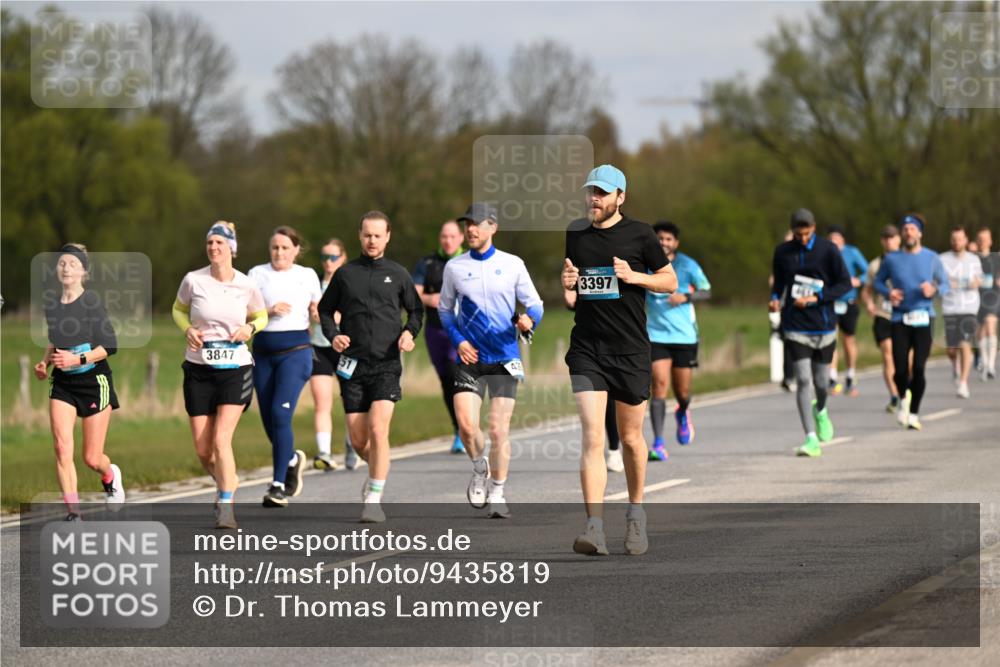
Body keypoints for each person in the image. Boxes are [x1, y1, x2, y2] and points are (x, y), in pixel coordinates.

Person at [561, 164, 678, 556]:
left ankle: (635, 514)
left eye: (602, 193)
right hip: (588, 348)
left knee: (630, 438)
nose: (594, 199)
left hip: (630, 349)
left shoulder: (641, 234)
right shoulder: (575, 233)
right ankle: (594, 527)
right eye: (591, 192)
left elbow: (670, 280)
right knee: (593, 435)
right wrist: (568, 286)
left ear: (620, 198)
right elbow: (575, 288)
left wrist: (635, 277)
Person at [438, 203, 543, 519]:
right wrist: (459, 341)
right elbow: (444, 310)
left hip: (504, 356)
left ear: (492, 227)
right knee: (468, 427)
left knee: (498, 430)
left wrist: (528, 321)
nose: (471, 230)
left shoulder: (512, 264)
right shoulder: (454, 267)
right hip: (469, 356)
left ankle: (498, 490)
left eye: (477, 224)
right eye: (467, 224)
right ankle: (479, 467)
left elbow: (534, 304)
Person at [318, 211, 423, 523]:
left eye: (378, 235)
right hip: (352, 365)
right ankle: (376, 471)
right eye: (367, 235)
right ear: (359, 236)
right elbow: (325, 311)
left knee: (379, 429)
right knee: (360, 439)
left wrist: (409, 333)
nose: (372, 240)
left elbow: (416, 312)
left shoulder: (398, 273)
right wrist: (334, 336)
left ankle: (374, 498)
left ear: (388, 236)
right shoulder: (346, 274)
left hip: (387, 364)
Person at [173, 222, 268, 529]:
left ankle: (226, 505)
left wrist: (249, 328)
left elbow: (261, 315)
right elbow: (178, 309)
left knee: (220, 440)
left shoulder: (246, 284)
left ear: (232, 248)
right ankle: (227, 482)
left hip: (235, 368)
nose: (214, 248)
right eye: (210, 243)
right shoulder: (193, 280)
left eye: (219, 243)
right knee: (203, 450)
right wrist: (187, 329)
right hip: (199, 369)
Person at [34, 244, 124, 521]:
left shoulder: (91, 303)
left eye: (73, 263)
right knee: (62, 447)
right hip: (62, 383)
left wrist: (78, 359)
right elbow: (55, 338)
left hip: (93, 381)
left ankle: (110, 475)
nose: (66, 268)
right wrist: (45, 362)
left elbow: (110, 346)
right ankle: (74, 513)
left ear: (83, 271)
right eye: (62, 263)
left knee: (91, 458)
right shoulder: (52, 304)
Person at [249, 226, 322, 507]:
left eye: (284, 247)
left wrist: (318, 313)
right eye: (275, 247)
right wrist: (268, 311)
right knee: (268, 418)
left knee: (281, 415)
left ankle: (278, 485)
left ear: (296, 250)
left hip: (296, 352)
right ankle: (291, 458)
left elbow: (318, 308)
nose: (279, 252)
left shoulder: (307, 275)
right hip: (264, 354)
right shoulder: (257, 274)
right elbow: (244, 311)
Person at [770, 209, 852, 457]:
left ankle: (822, 410)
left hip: (824, 325)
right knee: (803, 380)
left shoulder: (828, 250)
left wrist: (816, 298)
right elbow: (779, 285)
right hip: (795, 326)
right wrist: (774, 299)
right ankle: (810, 438)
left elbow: (844, 284)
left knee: (821, 382)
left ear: (814, 228)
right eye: (798, 234)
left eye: (806, 234)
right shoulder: (783, 252)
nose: (803, 238)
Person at [874, 214, 950, 430]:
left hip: (924, 317)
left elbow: (945, 285)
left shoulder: (932, 257)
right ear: (902, 234)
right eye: (905, 229)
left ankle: (914, 413)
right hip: (899, 319)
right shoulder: (891, 259)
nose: (909, 233)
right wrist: (889, 293)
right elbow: (877, 281)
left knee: (918, 368)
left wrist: (933, 290)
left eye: (912, 229)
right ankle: (903, 398)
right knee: (899, 370)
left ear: (919, 233)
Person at [646, 221, 711, 459]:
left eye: (668, 239)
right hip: (656, 335)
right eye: (660, 238)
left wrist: (686, 296)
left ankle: (683, 411)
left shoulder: (687, 264)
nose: (663, 242)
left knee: (682, 391)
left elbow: (707, 290)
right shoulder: (645, 264)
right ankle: (658, 443)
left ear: (676, 242)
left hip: (684, 337)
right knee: (659, 386)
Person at [413, 220, 466, 454]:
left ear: (461, 238)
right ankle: (458, 428)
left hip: (462, 329)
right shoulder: (427, 263)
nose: (448, 241)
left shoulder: (469, 261)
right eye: (444, 236)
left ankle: (466, 427)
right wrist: (429, 300)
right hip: (436, 330)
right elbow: (415, 294)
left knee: (458, 375)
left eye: (452, 236)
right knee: (446, 381)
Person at [564, 289, 624, 473]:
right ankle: (612, 451)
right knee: (600, 405)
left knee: (617, 404)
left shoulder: (626, 265)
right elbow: (573, 299)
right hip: (589, 348)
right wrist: (569, 295)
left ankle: (615, 448)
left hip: (622, 343)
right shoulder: (581, 262)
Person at [309, 238, 352, 470]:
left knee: (350, 399)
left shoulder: (348, 282)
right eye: (325, 257)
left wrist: (332, 317)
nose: (328, 262)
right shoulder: (313, 283)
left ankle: (352, 444)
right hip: (319, 348)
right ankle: (324, 452)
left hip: (344, 347)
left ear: (342, 258)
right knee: (321, 402)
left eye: (333, 257)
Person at [861, 225, 902, 412]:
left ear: (898, 239)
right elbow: (866, 291)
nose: (888, 241)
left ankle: (905, 390)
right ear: (881, 241)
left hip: (904, 314)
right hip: (883, 314)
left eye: (892, 237)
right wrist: (869, 304)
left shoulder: (907, 260)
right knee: (888, 355)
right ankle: (894, 395)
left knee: (905, 358)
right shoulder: (875, 265)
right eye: (885, 238)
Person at [940, 226, 983, 399]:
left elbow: (979, 279)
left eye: (960, 239)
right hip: (950, 307)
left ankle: (963, 383)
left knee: (965, 342)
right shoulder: (942, 259)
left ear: (966, 240)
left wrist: (974, 283)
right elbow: (938, 280)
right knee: (951, 349)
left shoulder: (973, 260)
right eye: (954, 239)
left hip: (969, 307)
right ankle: (955, 365)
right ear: (951, 241)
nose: (957, 242)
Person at [826, 225, 869, 397]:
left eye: (836, 238)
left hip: (848, 301)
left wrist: (859, 280)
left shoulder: (852, 252)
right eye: (831, 239)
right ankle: (832, 377)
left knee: (848, 339)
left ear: (843, 239)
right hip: (830, 301)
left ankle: (850, 374)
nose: (834, 242)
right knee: (831, 339)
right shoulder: (825, 254)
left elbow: (868, 271)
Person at [975, 227, 999, 380]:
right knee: (980, 333)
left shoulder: (996, 258)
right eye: (980, 239)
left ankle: (991, 365)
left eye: (986, 239)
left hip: (993, 297)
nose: (983, 242)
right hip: (975, 299)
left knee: (991, 327)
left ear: (990, 241)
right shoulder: (972, 259)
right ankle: (984, 363)